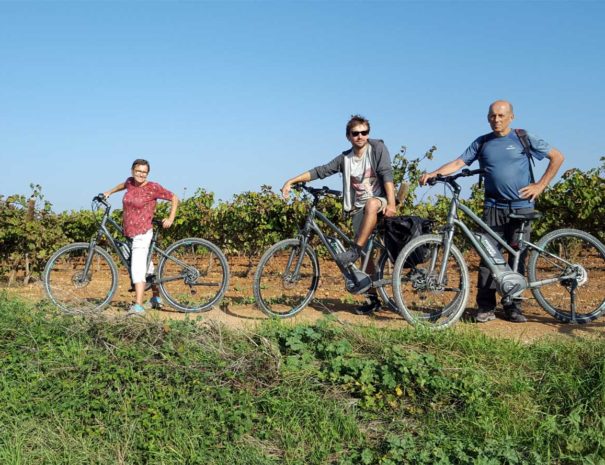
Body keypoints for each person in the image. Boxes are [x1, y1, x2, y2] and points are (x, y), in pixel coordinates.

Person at [420, 100, 564, 323]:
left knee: (518, 257)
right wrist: (435, 173)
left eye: (500, 115)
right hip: (493, 207)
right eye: (492, 116)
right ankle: (485, 307)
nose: (496, 120)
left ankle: (513, 307)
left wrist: (541, 185)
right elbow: (459, 162)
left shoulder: (522, 137)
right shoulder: (482, 142)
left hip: (521, 208)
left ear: (511, 117)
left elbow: (557, 156)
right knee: (488, 257)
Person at [281, 115, 397, 314]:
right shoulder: (345, 159)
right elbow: (321, 171)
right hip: (358, 209)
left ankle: (354, 250)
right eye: (356, 133)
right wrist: (291, 181)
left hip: (379, 202)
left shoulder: (377, 149)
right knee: (366, 258)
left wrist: (392, 204)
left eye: (364, 133)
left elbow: (387, 174)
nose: (360, 137)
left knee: (369, 208)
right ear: (348, 136)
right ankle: (372, 299)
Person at [103, 159, 179, 315]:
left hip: (143, 232)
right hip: (129, 232)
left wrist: (170, 218)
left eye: (144, 172)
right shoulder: (130, 182)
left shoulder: (152, 188)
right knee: (147, 267)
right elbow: (122, 185)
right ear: (132, 171)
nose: (141, 174)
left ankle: (138, 306)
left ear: (147, 173)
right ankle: (156, 298)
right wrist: (109, 192)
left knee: (137, 267)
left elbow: (174, 197)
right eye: (138, 171)